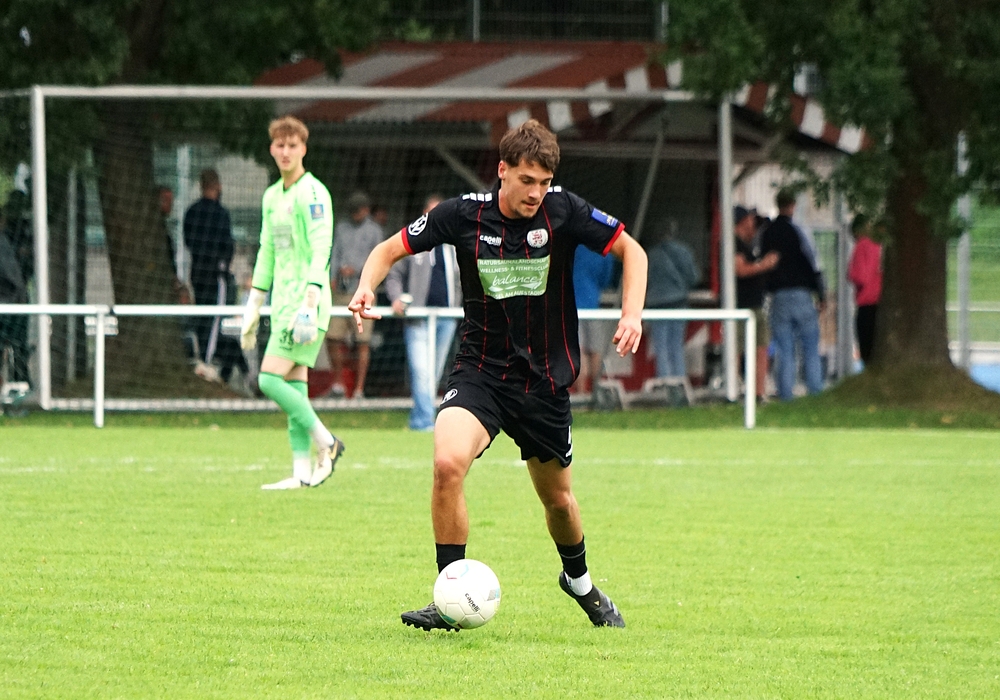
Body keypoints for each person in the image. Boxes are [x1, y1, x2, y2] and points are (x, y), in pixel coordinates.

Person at [349, 119, 647, 630]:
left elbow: (631, 250)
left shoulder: (563, 210)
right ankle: (449, 596)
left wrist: (632, 313)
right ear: (502, 170)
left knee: (558, 502)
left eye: (544, 182)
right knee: (447, 465)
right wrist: (366, 286)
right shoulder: (463, 215)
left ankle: (579, 583)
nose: (536, 193)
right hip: (480, 373)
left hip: (544, 383)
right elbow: (388, 250)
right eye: (527, 180)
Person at [240, 115, 345, 490]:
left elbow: (321, 246)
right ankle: (301, 473)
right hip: (282, 305)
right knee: (294, 388)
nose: (285, 152)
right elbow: (267, 250)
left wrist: (311, 299)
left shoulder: (313, 193)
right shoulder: (272, 196)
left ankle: (327, 442)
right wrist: (254, 303)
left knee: (268, 379)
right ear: (272, 148)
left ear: (304, 149)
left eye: (292, 145)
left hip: (306, 306)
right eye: (280, 145)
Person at [384, 194, 461, 431]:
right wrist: (396, 298)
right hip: (418, 317)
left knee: (433, 372)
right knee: (421, 371)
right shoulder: (413, 242)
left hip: (447, 318)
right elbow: (393, 273)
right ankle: (423, 421)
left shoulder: (456, 244)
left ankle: (420, 418)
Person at [760, 188, 825, 400]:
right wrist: (821, 294)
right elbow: (814, 262)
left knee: (784, 349)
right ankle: (815, 391)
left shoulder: (767, 232)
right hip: (802, 294)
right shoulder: (799, 230)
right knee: (810, 347)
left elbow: (763, 262)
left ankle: (786, 394)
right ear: (793, 205)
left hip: (779, 296)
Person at [326, 190, 382, 398]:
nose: (354, 215)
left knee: (362, 342)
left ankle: (359, 389)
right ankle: (338, 385)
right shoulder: (341, 228)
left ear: (366, 210)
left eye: (357, 211)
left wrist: (357, 270)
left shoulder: (375, 231)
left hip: (364, 293)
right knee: (332, 337)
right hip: (341, 293)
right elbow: (335, 252)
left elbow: (378, 259)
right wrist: (332, 276)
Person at [183, 168, 235, 376]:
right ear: (217, 186)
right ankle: (206, 359)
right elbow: (227, 244)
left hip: (197, 271)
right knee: (214, 317)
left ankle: (202, 353)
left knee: (202, 313)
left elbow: (188, 241)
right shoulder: (220, 214)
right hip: (215, 273)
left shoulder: (191, 212)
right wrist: (222, 262)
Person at [734, 205, 779, 400]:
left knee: (761, 348)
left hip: (756, 304)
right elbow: (740, 269)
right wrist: (764, 265)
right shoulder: (733, 243)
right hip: (741, 306)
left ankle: (759, 393)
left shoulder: (750, 245)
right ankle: (734, 390)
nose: (755, 225)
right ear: (744, 221)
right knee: (737, 349)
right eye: (752, 220)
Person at [644, 220, 700, 379]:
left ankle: (664, 382)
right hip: (678, 303)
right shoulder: (684, 251)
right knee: (677, 346)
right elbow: (693, 277)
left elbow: (644, 281)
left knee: (661, 348)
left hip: (656, 306)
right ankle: (679, 382)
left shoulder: (651, 255)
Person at [572, 244, 614, 394]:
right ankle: (596, 393)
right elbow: (606, 280)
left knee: (578, 351)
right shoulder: (604, 251)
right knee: (596, 351)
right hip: (593, 306)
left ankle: (581, 394)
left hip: (571, 306)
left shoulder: (572, 248)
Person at [847, 214, 882, 365]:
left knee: (866, 347)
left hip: (866, 300)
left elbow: (861, 276)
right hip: (880, 300)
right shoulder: (878, 245)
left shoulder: (862, 245)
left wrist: (851, 274)